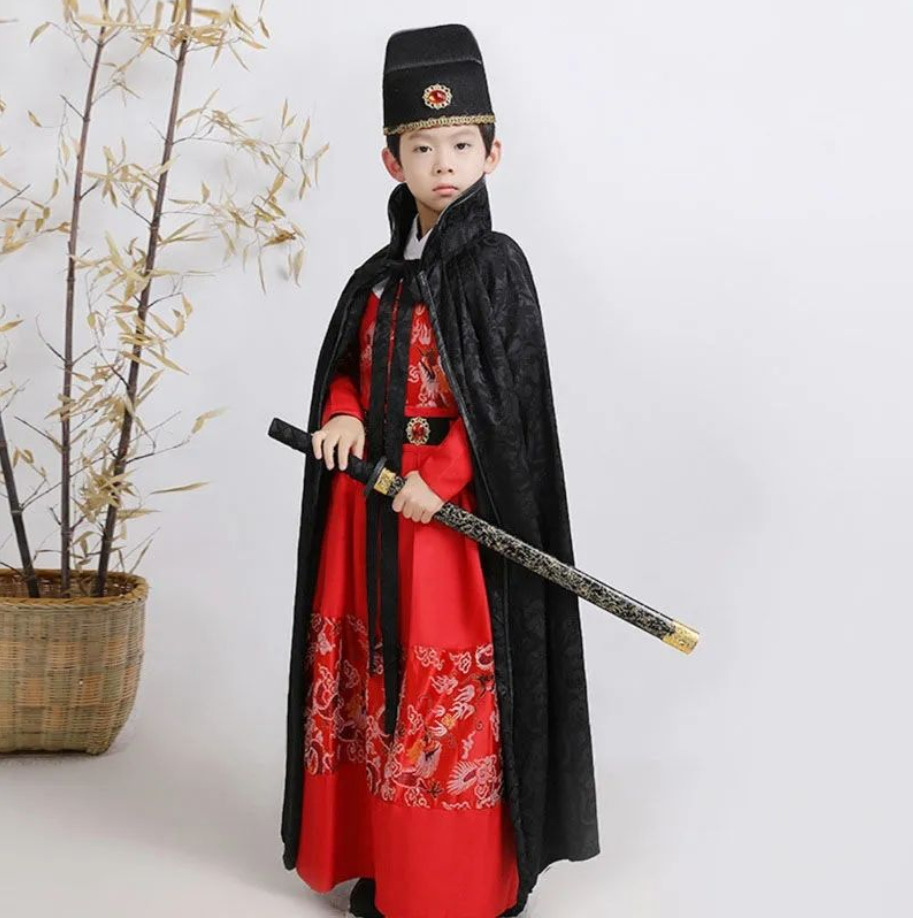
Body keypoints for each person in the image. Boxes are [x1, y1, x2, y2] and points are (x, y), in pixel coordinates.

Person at [280, 23, 600, 918]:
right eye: (422, 148)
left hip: (449, 526)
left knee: (442, 684)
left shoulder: (497, 268)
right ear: (392, 162)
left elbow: (510, 404)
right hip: (369, 515)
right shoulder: (378, 277)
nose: (443, 163)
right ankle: (383, 857)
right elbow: (351, 363)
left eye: (461, 144)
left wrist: (449, 476)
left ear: (493, 153)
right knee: (372, 678)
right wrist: (342, 409)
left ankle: (454, 883)